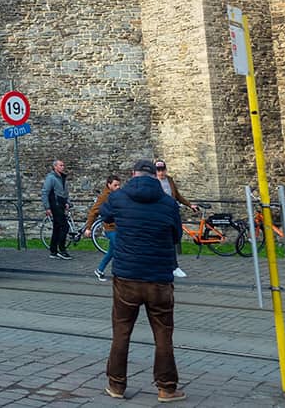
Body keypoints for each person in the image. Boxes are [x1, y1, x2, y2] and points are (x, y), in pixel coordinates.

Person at [99, 158, 185, 403]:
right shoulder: (168, 203)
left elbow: (105, 215)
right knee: (163, 334)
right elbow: (176, 235)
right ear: (155, 175)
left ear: (132, 174)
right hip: (159, 277)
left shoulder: (119, 197)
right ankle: (167, 388)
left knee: (121, 331)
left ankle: (116, 385)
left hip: (127, 276)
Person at [155, 160, 198, 278]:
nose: (161, 173)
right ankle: (173, 266)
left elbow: (177, 195)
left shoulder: (169, 180)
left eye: (162, 170)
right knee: (164, 240)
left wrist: (189, 205)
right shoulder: (153, 182)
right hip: (160, 215)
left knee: (174, 237)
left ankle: (172, 266)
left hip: (172, 212)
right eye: (158, 170)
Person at [84, 174, 121, 281]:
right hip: (110, 228)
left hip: (118, 227)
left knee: (112, 252)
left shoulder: (119, 194)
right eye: (115, 185)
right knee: (119, 250)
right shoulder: (104, 197)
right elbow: (93, 212)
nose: (118, 187)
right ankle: (119, 274)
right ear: (109, 185)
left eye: (119, 185)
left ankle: (99, 270)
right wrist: (88, 227)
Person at [42, 159, 71, 259]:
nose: (63, 167)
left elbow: (65, 193)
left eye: (63, 165)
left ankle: (53, 251)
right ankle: (62, 249)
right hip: (55, 205)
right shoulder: (51, 178)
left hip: (62, 205)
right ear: (55, 167)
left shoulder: (63, 178)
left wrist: (67, 202)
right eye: (61, 165)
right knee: (65, 227)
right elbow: (45, 192)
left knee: (57, 228)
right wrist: (47, 207)